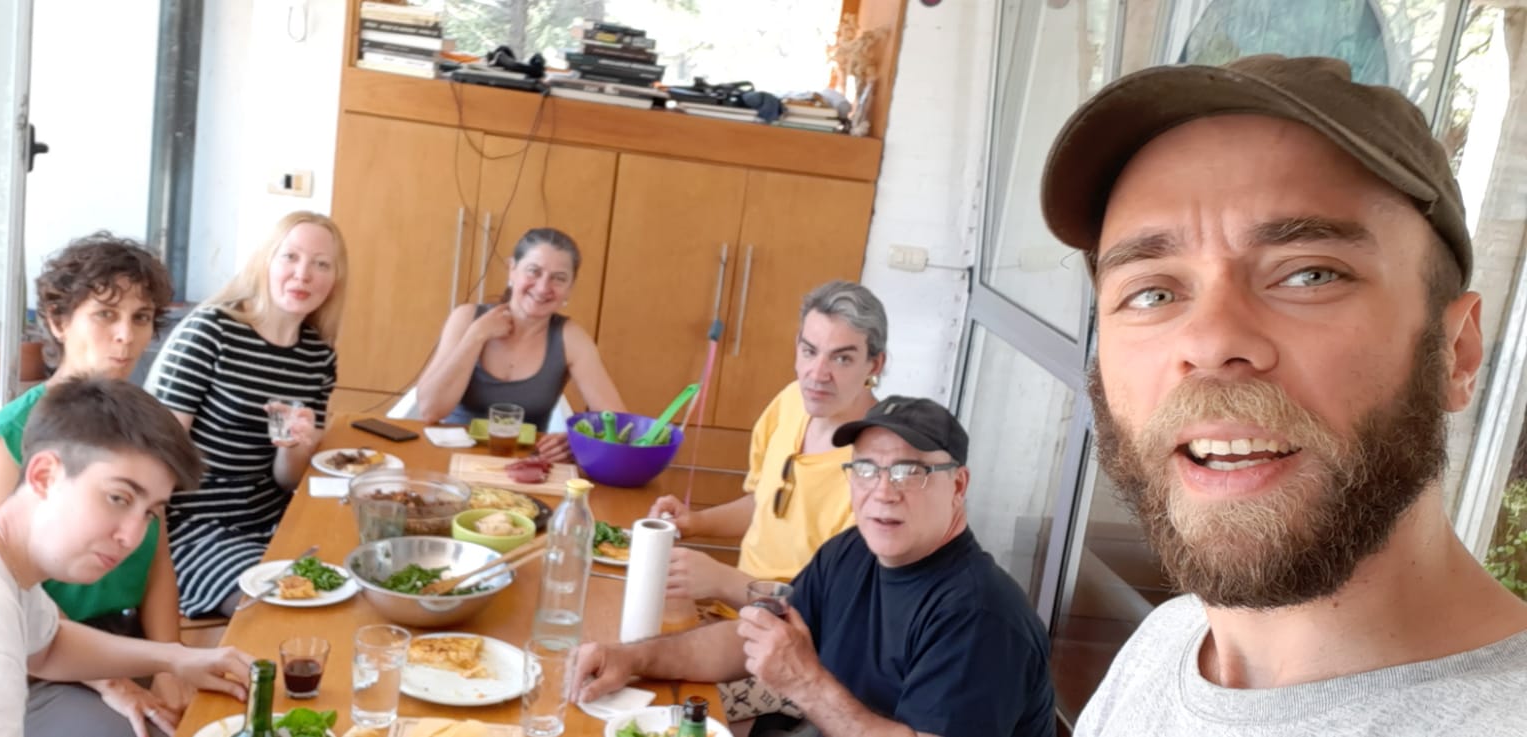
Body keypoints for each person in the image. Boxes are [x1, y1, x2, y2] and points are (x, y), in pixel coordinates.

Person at [1039, 55, 1527, 735]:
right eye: (1151, 292)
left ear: (1458, 354)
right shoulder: (1167, 641)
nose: (1210, 341)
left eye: (1309, 275)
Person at [576, 397, 1056, 737]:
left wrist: (803, 681)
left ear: (958, 485)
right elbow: (752, 638)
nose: (882, 491)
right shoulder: (851, 552)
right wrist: (633, 659)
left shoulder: (980, 617)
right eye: (865, 469)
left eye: (909, 472)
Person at [0, 233, 192, 737]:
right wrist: (116, 682)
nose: (125, 336)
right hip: (40, 664)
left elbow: (157, 562)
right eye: (106, 315)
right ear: (59, 321)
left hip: (123, 641)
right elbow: (10, 591)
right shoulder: (8, 439)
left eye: (141, 317)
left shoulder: (137, 428)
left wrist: (171, 665)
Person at [0, 377, 254, 737]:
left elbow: (49, 647)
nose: (132, 537)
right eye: (118, 498)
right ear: (44, 475)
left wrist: (176, 658)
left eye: (149, 513)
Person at [145, 211, 345, 618]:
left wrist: (293, 448)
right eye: (290, 257)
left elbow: (288, 480)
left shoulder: (318, 357)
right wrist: (149, 554)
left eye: (321, 264)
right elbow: (157, 455)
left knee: (348, 579)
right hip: (194, 526)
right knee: (286, 604)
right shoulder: (212, 331)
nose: (303, 275)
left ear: (335, 279)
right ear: (265, 261)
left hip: (270, 520)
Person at [649, 281, 887, 609]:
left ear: (874, 365)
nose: (818, 374)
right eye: (809, 351)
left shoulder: (878, 471)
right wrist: (696, 522)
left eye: (842, 359)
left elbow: (832, 609)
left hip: (789, 631)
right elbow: (762, 503)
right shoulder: (790, 401)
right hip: (735, 612)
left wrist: (721, 580)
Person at [415, 227, 625, 463]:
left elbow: (617, 423)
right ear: (512, 270)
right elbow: (430, 410)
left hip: (526, 466)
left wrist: (578, 439)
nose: (543, 287)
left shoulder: (571, 338)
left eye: (559, 278)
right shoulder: (466, 318)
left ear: (570, 288)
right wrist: (475, 337)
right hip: (452, 459)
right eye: (534, 271)